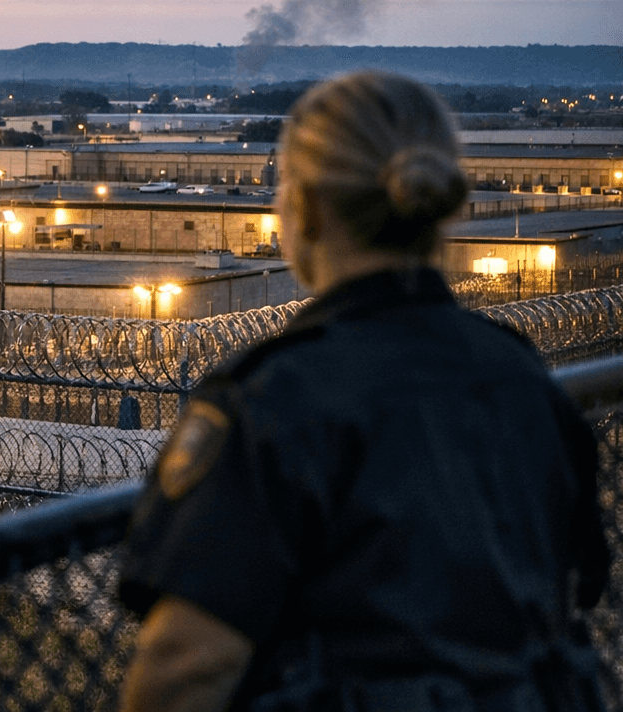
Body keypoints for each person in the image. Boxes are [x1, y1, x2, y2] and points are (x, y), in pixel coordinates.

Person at [118, 71, 610, 712]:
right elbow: (581, 582)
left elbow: (188, 666)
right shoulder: (518, 375)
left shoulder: (276, 399)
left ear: (309, 211)